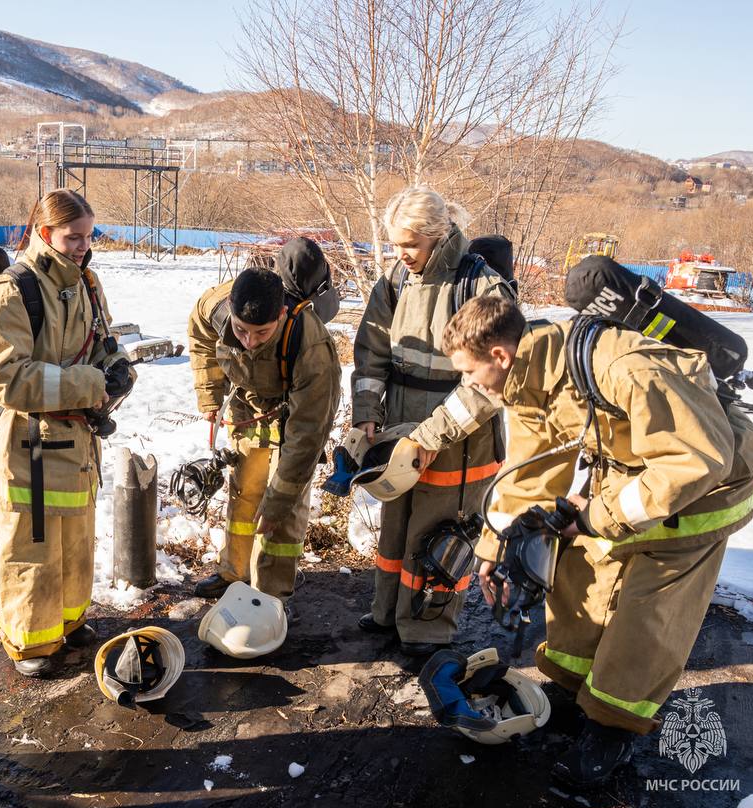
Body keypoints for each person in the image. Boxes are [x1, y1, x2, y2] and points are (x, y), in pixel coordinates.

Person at [442, 294, 753, 787]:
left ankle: (613, 728)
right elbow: (529, 475)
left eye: (469, 372)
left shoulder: (625, 368)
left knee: (646, 610)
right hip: (638, 474)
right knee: (580, 575)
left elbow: (695, 462)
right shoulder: (529, 382)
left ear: (499, 356)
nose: (468, 384)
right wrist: (494, 545)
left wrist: (601, 516)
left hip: (703, 490)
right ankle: (578, 691)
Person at [0, 189, 132, 677]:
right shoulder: (13, 290)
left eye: (89, 235)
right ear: (45, 234)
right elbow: (0, 373)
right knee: (32, 552)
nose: (84, 245)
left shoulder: (87, 282)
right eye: (74, 237)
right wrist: (88, 384)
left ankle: (69, 620)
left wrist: (118, 368)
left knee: (76, 546)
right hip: (29, 450)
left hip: (78, 445)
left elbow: (102, 340)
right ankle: (32, 644)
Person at [350, 187, 515, 657]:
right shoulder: (396, 280)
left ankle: (426, 628)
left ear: (438, 235)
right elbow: (372, 353)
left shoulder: (481, 289)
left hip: (460, 445)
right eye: (397, 244)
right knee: (396, 530)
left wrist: (431, 435)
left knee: (438, 536)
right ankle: (388, 612)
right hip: (400, 432)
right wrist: (366, 416)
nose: (402, 254)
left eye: (411, 245)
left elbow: (486, 385)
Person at [186, 262, 341, 618]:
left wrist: (278, 501)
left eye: (261, 333)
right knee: (243, 498)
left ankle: (270, 595)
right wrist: (210, 395)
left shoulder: (311, 345)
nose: (249, 341)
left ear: (283, 314)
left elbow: (307, 435)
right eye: (241, 331)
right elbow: (198, 333)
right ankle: (233, 573)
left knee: (279, 517)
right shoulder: (217, 306)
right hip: (246, 412)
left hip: (292, 422)